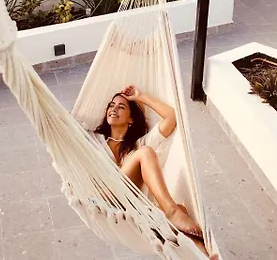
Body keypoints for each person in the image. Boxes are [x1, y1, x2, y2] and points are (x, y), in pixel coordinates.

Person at [92, 85, 218, 260]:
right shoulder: (95, 141)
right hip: (106, 199)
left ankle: (203, 256)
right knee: (146, 153)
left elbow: (171, 117)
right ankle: (171, 211)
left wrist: (140, 97)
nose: (113, 109)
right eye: (111, 105)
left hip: (134, 209)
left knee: (182, 213)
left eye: (121, 107)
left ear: (131, 119)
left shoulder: (139, 144)